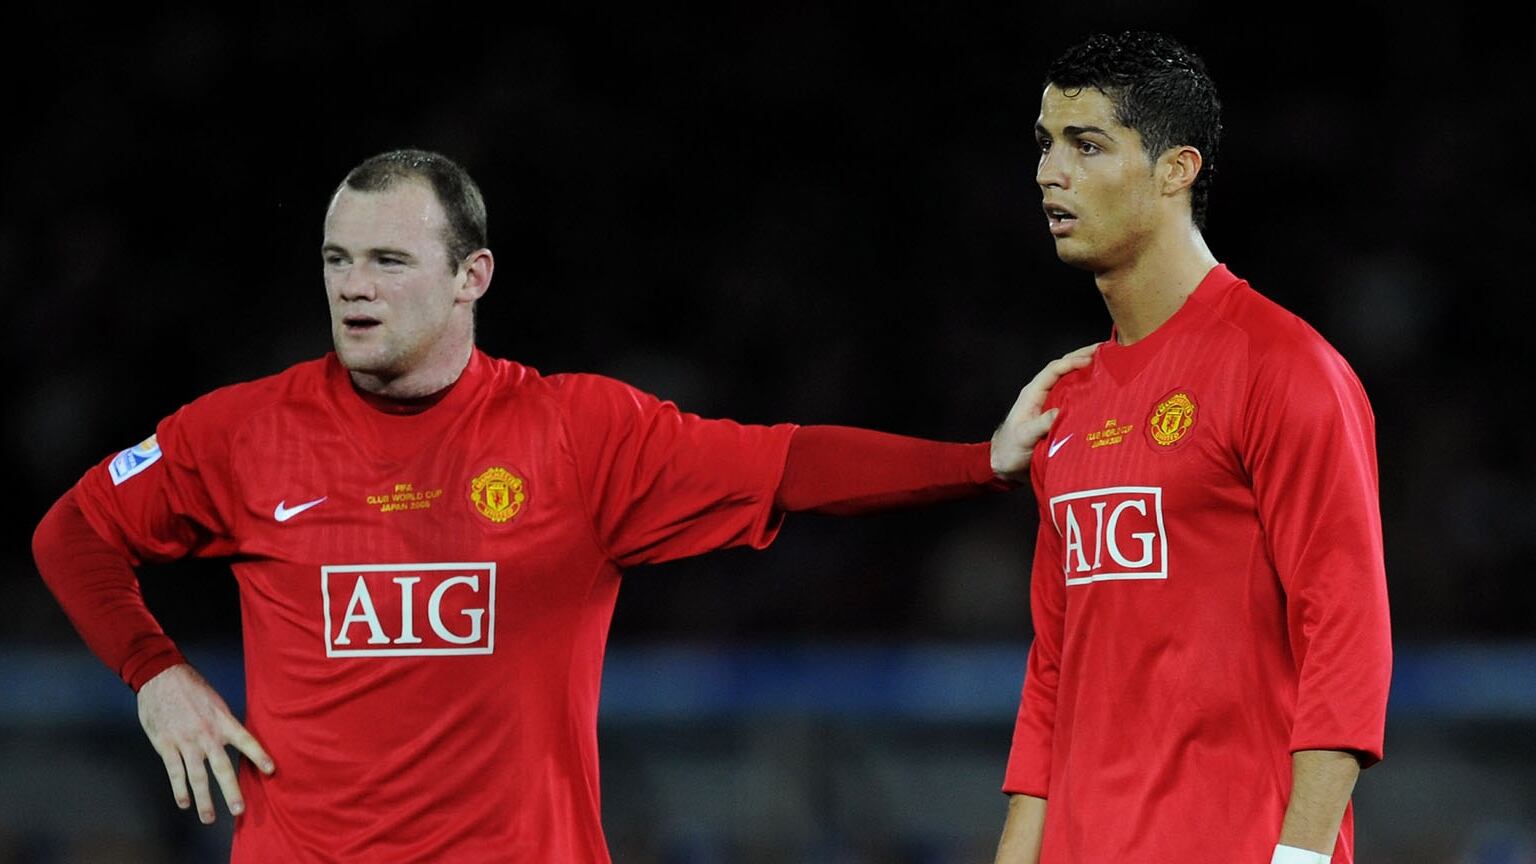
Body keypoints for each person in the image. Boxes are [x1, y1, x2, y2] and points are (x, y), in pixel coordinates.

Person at [31, 148, 1088, 863]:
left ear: (470, 277)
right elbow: (73, 532)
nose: (355, 287)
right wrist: (154, 674)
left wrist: (976, 461)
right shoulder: (239, 434)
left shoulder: (579, 435)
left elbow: (787, 464)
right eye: (337, 260)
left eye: (389, 261)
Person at [992, 32, 1392, 864]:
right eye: (1045, 145)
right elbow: (1054, 679)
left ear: (1176, 170)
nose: (1048, 173)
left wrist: (1304, 857)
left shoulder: (1285, 369)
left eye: (1087, 144)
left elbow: (1347, 635)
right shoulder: (1066, 406)